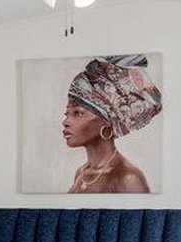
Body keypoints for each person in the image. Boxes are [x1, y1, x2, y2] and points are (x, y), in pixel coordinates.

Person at [61, 54, 161, 194]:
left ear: (108, 120)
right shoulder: (81, 173)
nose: (65, 122)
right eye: (67, 113)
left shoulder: (128, 179)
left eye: (78, 113)